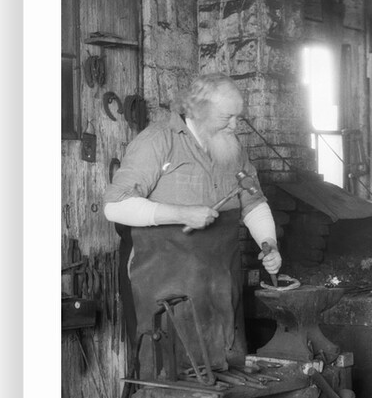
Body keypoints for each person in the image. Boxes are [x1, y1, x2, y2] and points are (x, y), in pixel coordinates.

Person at [103, 73, 282, 377]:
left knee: (226, 373)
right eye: (227, 117)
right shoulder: (157, 142)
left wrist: (269, 242)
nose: (235, 126)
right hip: (165, 282)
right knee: (168, 374)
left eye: (238, 117)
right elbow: (114, 205)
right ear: (199, 109)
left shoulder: (232, 148)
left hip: (218, 283)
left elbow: (253, 202)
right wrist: (181, 213)